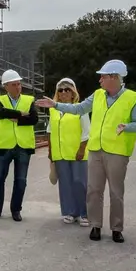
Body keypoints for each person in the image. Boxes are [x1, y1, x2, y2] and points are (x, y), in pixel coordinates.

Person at [36, 59, 136, 243]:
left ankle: (117, 228)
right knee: (94, 190)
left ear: (114, 77)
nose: (100, 81)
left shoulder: (133, 98)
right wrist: (56, 106)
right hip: (95, 150)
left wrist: (127, 126)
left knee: (116, 192)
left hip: (117, 152)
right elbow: (79, 108)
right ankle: (95, 225)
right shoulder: (97, 95)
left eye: (102, 77)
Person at [0, 69, 39, 222]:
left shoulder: (29, 100)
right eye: (14, 84)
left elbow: (34, 119)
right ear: (6, 86)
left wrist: (18, 119)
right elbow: (1, 113)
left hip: (23, 146)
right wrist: (21, 114)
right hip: (3, 146)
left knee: (21, 180)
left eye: (19, 84)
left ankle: (16, 210)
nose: (18, 87)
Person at [46, 77, 90, 226]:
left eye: (67, 90)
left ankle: (84, 213)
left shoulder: (80, 108)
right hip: (60, 153)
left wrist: (81, 150)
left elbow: (86, 132)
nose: (63, 92)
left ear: (73, 93)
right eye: (60, 90)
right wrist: (50, 152)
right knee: (65, 183)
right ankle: (71, 212)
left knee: (79, 182)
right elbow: (50, 131)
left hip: (77, 153)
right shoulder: (53, 110)